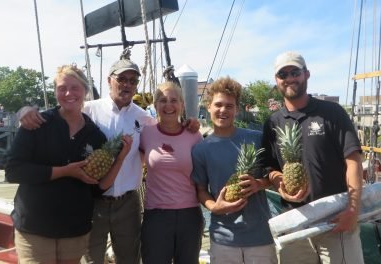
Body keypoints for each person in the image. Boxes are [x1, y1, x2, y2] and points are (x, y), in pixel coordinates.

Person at [19, 56, 199, 264]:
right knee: (91, 259)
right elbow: (56, 114)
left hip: (128, 203)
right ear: (108, 81)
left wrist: (190, 123)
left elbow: (167, 130)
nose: (127, 85)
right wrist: (24, 111)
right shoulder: (87, 110)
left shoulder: (144, 120)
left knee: (129, 259)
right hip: (92, 201)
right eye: (122, 79)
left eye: (132, 81)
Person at [5, 64, 132, 264]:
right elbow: (13, 171)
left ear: (85, 92)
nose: (68, 93)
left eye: (75, 88)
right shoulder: (37, 123)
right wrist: (65, 172)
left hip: (74, 228)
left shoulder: (95, 135)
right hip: (35, 225)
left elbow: (98, 188)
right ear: (55, 91)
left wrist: (122, 157)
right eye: (62, 88)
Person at [262, 51, 364, 264]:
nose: (289, 78)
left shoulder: (332, 112)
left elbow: (353, 160)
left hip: (335, 218)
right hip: (294, 222)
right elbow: (269, 167)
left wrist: (353, 210)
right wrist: (279, 182)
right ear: (276, 80)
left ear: (306, 74)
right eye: (283, 74)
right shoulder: (272, 123)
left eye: (294, 72)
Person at [191, 77, 277, 264]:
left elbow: (273, 176)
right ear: (209, 107)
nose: (223, 110)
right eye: (218, 105)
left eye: (229, 106)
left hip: (261, 236)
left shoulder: (257, 138)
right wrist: (215, 207)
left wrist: (259, 184)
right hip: (223, 238)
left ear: (237, 109)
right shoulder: (201, 149)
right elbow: (201, 190)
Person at [139, 82, 203, 264]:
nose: (168, 105)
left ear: (182, 105)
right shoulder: (146, 133)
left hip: (189, 214)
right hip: (156, 215)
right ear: (155, 105)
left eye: (174, 100)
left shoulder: (195, 135)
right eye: (162, 100)